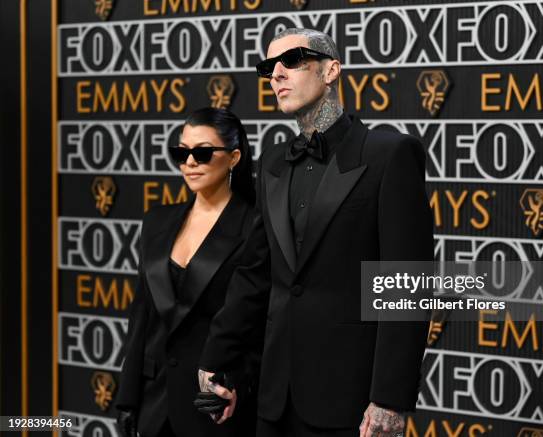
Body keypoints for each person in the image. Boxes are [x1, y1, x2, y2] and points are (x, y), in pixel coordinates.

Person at [199, 28, 434, 437]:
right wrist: (217, 358)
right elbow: (256, 274)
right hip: (275, 397)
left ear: (331, 70)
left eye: (292, 61)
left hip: (352, 403)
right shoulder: (273, 163)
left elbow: (407, 285)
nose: (276, 75)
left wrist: (390, 399)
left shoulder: (388, 154)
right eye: (268, 68)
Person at [115, 107, 260, 437]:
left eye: (203, 152)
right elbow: (141, 319)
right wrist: (127, 399)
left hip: (213, 403)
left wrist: (235, 379)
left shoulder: (253, 226)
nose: (189, 162)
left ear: (234, 157)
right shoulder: (156, 221)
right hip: (152, 404)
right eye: (181, 153)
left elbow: (260, 321)